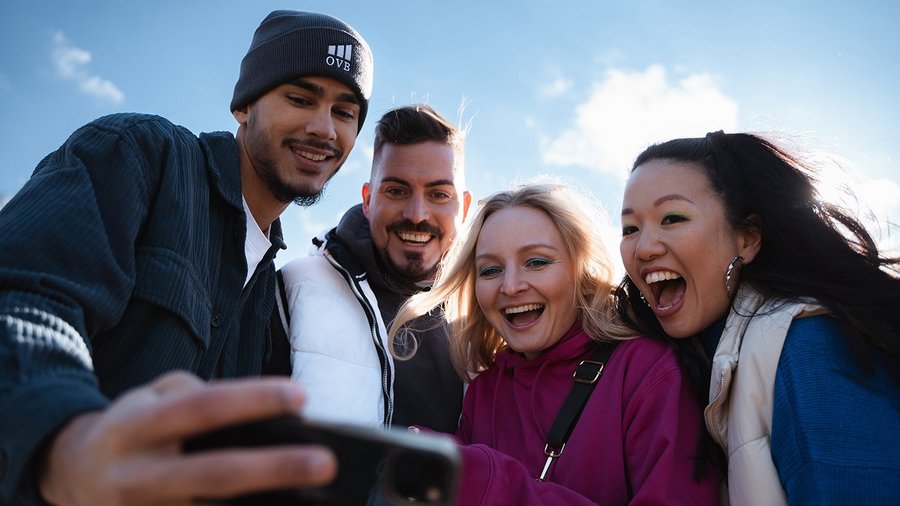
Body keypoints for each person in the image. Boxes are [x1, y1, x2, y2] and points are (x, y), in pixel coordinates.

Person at [0, 10, 374, 505]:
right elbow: (26, 298)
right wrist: (63, 441)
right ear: (243, 106)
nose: (323, 129)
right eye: (300, 98)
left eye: (344, 112)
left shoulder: (271, 294)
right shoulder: (140, 154)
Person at [388, 182, 721, 504]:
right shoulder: (485, 390)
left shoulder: (646, 370)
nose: (511, 286)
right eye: (490, 270)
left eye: (537, 262)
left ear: (581, 270)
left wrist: (484, 480)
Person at [617, 131, 900, 505]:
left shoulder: (804, 347)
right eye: (630, 229)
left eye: (672, 218)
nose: (644, 247)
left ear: (747, 239)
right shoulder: (697, 363)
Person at [277, 104, 470, 432]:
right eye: (396, 191)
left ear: (463, 208)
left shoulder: (488, 316)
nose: (417, 214)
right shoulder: (295, 287)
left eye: (438, 194)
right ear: (368, 200)